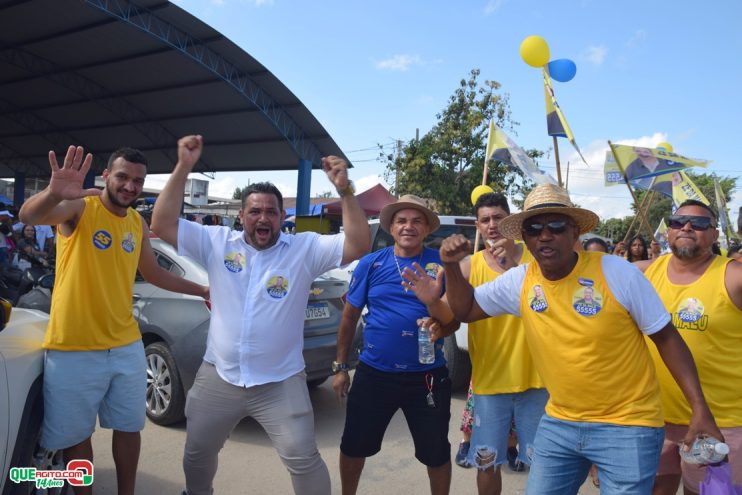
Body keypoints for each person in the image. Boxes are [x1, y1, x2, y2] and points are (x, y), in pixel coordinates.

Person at [412, 183, 721, 494]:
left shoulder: (617, 273)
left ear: (575, 232)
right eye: (534, 228)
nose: (545, 235)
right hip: (560, 421)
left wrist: (700, 409)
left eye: (556, 225)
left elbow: (668, 339)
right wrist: (451, 266)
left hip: (628, 426)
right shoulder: (521, 280)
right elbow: (465, 310)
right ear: (526, 238)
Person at [150, 135, 369, 495]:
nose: (263, 218)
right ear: (242, 216)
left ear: (283, 217)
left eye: (271, 211)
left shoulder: (303, 249)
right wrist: (184, 167)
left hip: (280, 382)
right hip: (219, 376)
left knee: (303, 458)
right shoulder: (217, 241)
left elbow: (358, 244)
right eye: (255, 211)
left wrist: (345, 190)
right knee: (197, 453)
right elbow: (162, 223)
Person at [18, 143, 209, 495]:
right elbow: (29, 216)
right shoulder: (80, 207)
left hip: (125, 346)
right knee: (76, 436)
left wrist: (201, 290)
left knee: (128, 428)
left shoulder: (136, 222)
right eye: (123, 177)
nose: (131, 186)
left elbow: (153, 273)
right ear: (106, 176)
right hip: (73, 347)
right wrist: (51, 192)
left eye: (139, 180)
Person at [406, 191, 547, 494]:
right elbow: (450, 314)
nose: (492, 224)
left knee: (544, 466)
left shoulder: (537, 257)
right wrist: (432, 304)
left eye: (498, 217)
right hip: (490, 383)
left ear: (510, 220)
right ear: (478, 226)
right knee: (487, 462)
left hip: (539, 381)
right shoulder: (470, 265)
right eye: (485, 220)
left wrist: (512, 265)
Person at [332, 194, 455, 495]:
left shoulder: (442, 266)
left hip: (427, 376)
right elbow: (349, 318)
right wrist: (340, 367)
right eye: (402, 220)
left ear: (427, 229)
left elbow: (454, 322)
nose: (408, 226)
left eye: (417, 221)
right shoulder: (372, 264)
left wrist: (438, 321)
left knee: (436, 452)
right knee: (353, 446)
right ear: (391, 227)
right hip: (374, 374)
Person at [631, 200, 742, 495]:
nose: (687, 227)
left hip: (721, 422)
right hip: (657, 418)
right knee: (652, 488)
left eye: (699, 223)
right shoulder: (644, 273)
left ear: (715, 234)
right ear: (668, 231)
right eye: (678, 221)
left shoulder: (733, 277)